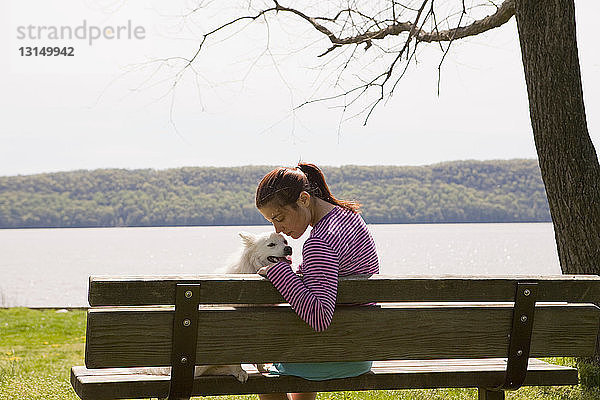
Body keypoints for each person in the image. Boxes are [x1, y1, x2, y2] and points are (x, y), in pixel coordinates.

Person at [254, 163, 379, 400]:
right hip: (361, 350)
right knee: (301, 355)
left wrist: (279, 272)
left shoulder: (319, 242)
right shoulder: (350, 218)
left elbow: (320, 317)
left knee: (265, 379)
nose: (278, 228)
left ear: (303, 199)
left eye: (279, 218)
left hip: (334, 355)